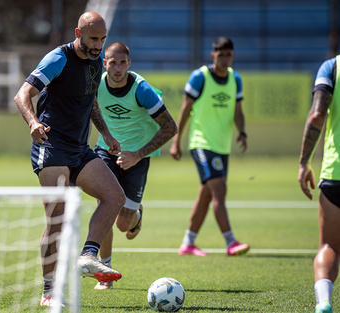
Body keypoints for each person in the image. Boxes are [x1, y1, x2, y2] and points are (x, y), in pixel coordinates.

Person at [14, 12, 125, 307]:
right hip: (50, 146)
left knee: (114, 196)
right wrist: (33, 123)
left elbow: (90, 102)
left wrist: (107, 135)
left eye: (102, 39)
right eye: (93, 39)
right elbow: (22, 94)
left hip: (79, 149)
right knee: (57, 220)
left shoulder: (94, 61)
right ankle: (49, 291)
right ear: (78, 32)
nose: (99, 45)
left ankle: (88, 255)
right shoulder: (57, 58)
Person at [92, 42, 177, 290]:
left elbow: (170, 127)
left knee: (123, 224)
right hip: (106, 151)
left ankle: (136, 214)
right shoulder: (96, 84)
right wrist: (106, 136)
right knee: (104, 206)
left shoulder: (142, 90)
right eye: (112, 62)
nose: (117, 68)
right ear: (104, 63)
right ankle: (104, 272)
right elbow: (89, 110)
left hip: (137, 156)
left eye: (122, 62)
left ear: (129, 64)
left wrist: (138, 155)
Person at [169, 36, 250, 257]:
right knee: (220, 190)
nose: (225, 58)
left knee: (206, 194)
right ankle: (231, 242)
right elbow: (186, 108)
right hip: (201, 143)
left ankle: (188, 243)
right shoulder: (200, 77)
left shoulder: (236, 79)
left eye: (228, 54)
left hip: (222, 147)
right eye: (220, 54)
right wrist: (177, 141)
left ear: (233, 55)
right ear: (213, 55)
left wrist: (241, 132)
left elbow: (238, 111)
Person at [298, 55, 340, 313]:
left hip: (336, 172)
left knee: (329, 246)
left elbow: (317, 116)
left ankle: (324, 302)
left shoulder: (332, 67)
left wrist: (304, 162)